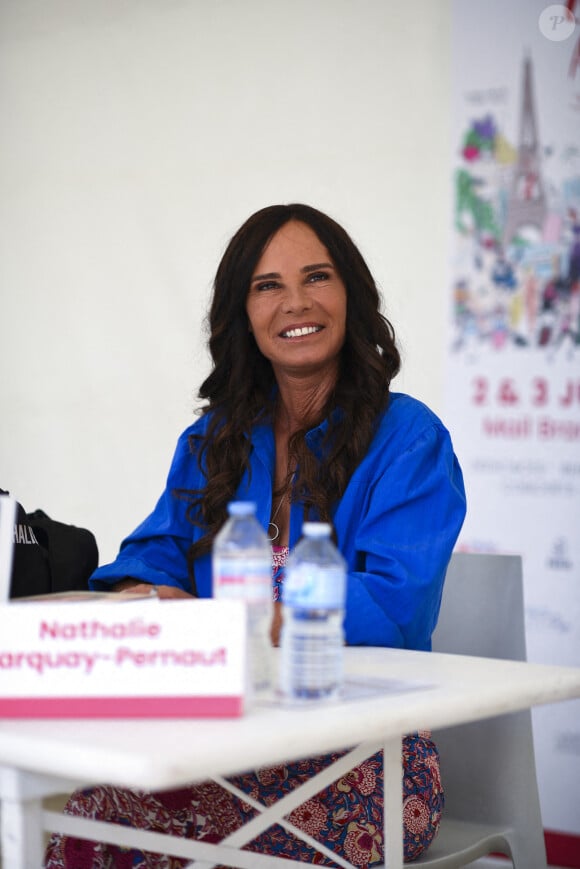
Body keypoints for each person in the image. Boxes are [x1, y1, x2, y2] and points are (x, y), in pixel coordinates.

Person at [45, 203, 466, 868]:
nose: (295, 302)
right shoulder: (212, 440)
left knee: (188, 843)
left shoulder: (409, 438)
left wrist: (237, 626)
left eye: (317, 277)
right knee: (94, 816)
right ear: (242, 314)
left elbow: (394, 602)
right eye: (267, 285)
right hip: (220, 736)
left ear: (351, 295)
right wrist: (148, 597)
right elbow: (155, 555)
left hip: (363, 757)